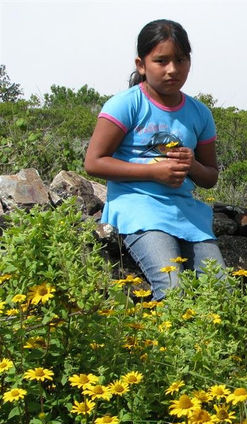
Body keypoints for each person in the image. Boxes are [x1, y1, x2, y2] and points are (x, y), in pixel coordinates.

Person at [85, 19, 225, 300]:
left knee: (220, 291)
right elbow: (94, 162)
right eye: (161, 61)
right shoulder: (126, 104)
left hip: (185, 214)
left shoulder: (199, 113)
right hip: (138, 211)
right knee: (172, 288)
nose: (172, 69)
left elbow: (210, 178)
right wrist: (154, 173)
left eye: (181, 60)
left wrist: (192, 165)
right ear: (141, 64)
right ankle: (167, 345)